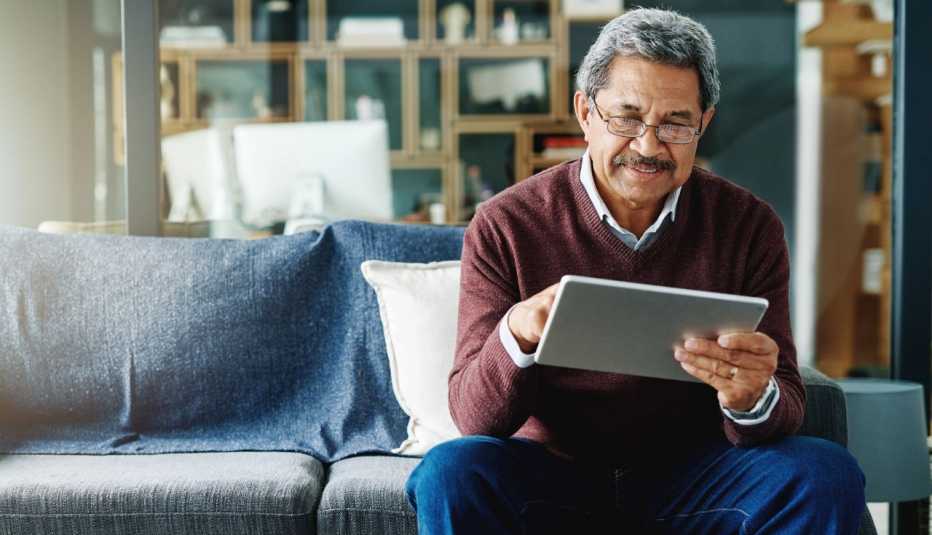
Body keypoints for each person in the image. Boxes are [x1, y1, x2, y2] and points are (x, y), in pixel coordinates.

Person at [406, 8, 866, 534]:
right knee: (451, 472)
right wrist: (517, 331)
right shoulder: (505, 223)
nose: (648, 146)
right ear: (585, 112)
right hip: (553, 476)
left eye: (675, 123)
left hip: (698, 475)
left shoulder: (748, 225)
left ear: (704, 122)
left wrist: (752, 398)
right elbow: (474, 418)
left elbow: (784, 404)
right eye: (626, 118)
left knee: (824, 472)